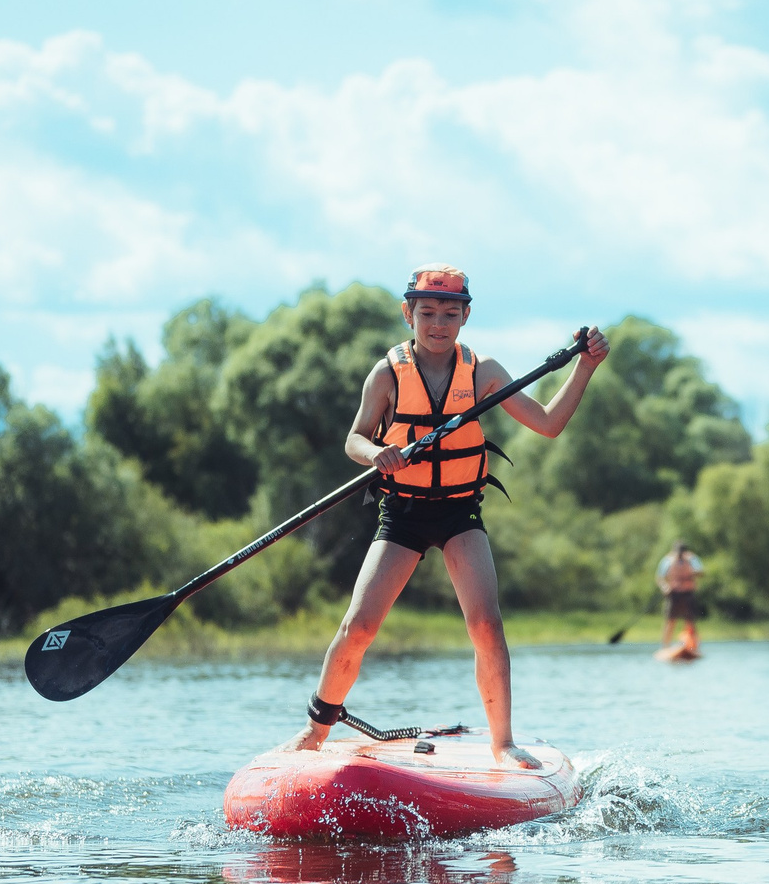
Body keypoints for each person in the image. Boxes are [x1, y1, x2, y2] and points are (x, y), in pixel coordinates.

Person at [288, 265, 609, 768]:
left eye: (450, 314)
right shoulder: (387, 373)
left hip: (461, 512)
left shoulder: (484, 372)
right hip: (403, 515)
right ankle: (314, 731)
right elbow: (354, 437)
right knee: (359, 625)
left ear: (465, 316)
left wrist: (584, 367)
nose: (438, 324)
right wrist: (376, 454)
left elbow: (548, 424)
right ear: (408, 313)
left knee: (487, 625)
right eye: (428, 313)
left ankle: (502, 743)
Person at [656, 542, 703, 655]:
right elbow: (659, 577)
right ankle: (665, 647)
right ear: (674, 552)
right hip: (673, 593)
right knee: (670, 620)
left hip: (687, 592)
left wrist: (693, 573)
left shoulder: (692, 559)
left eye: (682, 553)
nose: (680, 555)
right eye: (678, 553)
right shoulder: (667, 560)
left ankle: (694, 647)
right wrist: (665, 587)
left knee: (690, 621)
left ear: (685, 552)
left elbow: (701, 572)